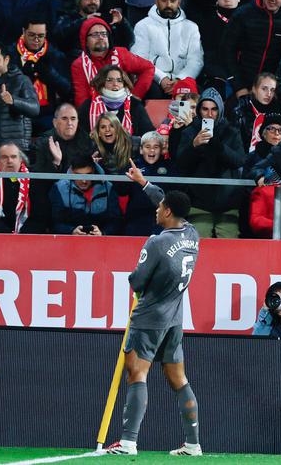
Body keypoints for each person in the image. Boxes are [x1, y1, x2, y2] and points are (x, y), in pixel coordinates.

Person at [104, 187, 202, 457]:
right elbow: (166, 199)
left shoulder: (156, 242)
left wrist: (134, 279)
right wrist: (143, 183)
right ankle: (193, 444)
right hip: (175, 317)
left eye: (160, 207)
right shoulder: (193, 234)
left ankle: (128, 443)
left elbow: (137, 280)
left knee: (137, 374)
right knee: (179, 378)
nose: (156, 209)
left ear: (168, 212)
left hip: (149, 317)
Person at [175, 87, 246, 238]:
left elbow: (239, 160)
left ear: (220, 110)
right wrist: (193, 146)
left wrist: (217, 145)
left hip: (228, 204)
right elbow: (180, 164)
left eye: (214, 109)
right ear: (199, 110)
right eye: (205, 109)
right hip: (199, 203)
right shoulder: (190, 131)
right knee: (199, 248)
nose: (209, 114)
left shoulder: (231, 131)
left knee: (229, 250)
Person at [221, 0, 281, 94]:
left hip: (271, 89)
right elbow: (227, 50)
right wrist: (239, 86)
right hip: (239, 84)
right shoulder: (243, 14)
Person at [131, 0, 203, 97]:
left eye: (173, 0)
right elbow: (140, 59)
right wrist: (162, 78)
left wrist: (180, 80)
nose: (168, 5)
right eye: (164, 0)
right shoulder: (143, 25)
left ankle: (181, 115)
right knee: (151, 92)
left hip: (182, 80)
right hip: (153, 79)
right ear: (156, 1)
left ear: (179, 2)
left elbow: (196, 61)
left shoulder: (191, 27)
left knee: (187, 95)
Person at [70, 16, 154, 105]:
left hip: (125, 107)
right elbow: (81, 100)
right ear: (85, 40)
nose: (100, 37)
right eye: (95, 34)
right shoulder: (79, 64)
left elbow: (148, 67)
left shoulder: (121, 54)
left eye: (104, 34)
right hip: (95, 111)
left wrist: (136, 96)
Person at [49, 157, 121, 235]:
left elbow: (116, 221)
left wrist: (103, 233)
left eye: (88, 175)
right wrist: (71, 231)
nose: (84, 181)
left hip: (101, 241)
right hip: (68, 241)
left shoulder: (108, 188)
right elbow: (53, 222)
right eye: (78, 176)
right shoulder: (59, 188)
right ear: (72, 172)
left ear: (93, 171)